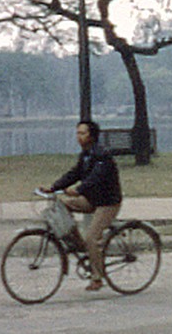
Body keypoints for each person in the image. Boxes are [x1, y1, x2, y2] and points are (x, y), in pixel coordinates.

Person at [39, 120, 122, 291]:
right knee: (61, 204)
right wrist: (54, 188)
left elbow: (96, 177)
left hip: (107, 203)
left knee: (92, 237)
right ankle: (79, 243)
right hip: (91, 199)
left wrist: (78, 189)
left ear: (91, 136)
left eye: (82, 133)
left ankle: (97, 278)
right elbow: (74, 173)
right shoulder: (85, 155)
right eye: (77, 133)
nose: (78, 137)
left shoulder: (102, 155)